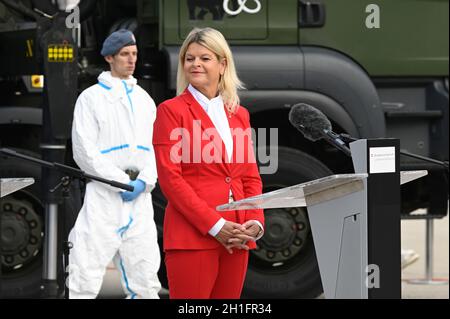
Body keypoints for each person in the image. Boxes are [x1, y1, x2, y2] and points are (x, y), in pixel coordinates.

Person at [153, 27, 265, 299]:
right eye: (189, 59)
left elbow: (249, 177)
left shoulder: (239, 115)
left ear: (222, 64)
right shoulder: (171, 111)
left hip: (237, 236)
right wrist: (215, 225)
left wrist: (254, 221)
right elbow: (171, 180)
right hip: (194, 237)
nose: (196, 64)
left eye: (204, 58)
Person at [68, 29, 161, 299]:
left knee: (145, 276)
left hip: (139, 199)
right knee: (84, 271)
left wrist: (145, 181)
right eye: (124, 54)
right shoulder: (91, 98)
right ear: (110, 57)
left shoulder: (145, 100)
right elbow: (84, 150)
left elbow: (155, 148)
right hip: (104, 195)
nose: (131, 60)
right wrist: (117, 180)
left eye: (134, 54)